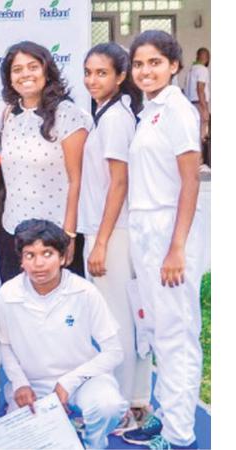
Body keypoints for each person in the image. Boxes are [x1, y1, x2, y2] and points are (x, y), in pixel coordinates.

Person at [121, 30, 205, 450]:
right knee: (156, 330)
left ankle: (179, 435)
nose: (145, 71)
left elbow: (191, 181)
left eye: (154, 62)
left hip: (169, 229)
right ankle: (168, 416)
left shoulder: (177, 111)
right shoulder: (149, 111)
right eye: (138, 64)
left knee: (177, 334)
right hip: (145, 229)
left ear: (174, 65)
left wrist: (176, 248)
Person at [0, 219, 127, 450]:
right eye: (30, 255)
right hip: (33, 387)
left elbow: (114, 352)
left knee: (109, 406)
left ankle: (94, 443)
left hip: (83, 381)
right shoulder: (8, 294)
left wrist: (68, 382)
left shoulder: (84, 291)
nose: (39, 264)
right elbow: (4, 345)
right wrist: (19, 384)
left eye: (47, 254)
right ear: (21, 261)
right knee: (18, 443)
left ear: (63, 257)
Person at [80, 43, 153, 433]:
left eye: (102, 73)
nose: (92, 80)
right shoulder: (109, 114)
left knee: (118, 324)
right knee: (125, 318)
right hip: (109, 230)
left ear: (121, 76)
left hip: (112, 232)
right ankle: (135, 401)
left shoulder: (114, 120)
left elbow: (118, 184)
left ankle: (125, 406)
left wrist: (102, 241)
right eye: (88, 72)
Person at [0, 41, 92, 283]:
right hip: (14, 231)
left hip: (55, 235)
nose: (25, 74)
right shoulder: (8, 114)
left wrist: (69, 234)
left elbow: (77, 180)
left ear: (46, 71)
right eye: (17, 70)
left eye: (33, 67)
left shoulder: (67, 114)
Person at [184, 47, 210, 166]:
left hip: (190, 104)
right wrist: (205, 109)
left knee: (193, 133)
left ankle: (193, 162)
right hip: (199, 103)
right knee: (202, 134)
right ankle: (200, 162)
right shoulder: (203, 70)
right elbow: (200, 89)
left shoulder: (191, 70)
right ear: (206, 58)